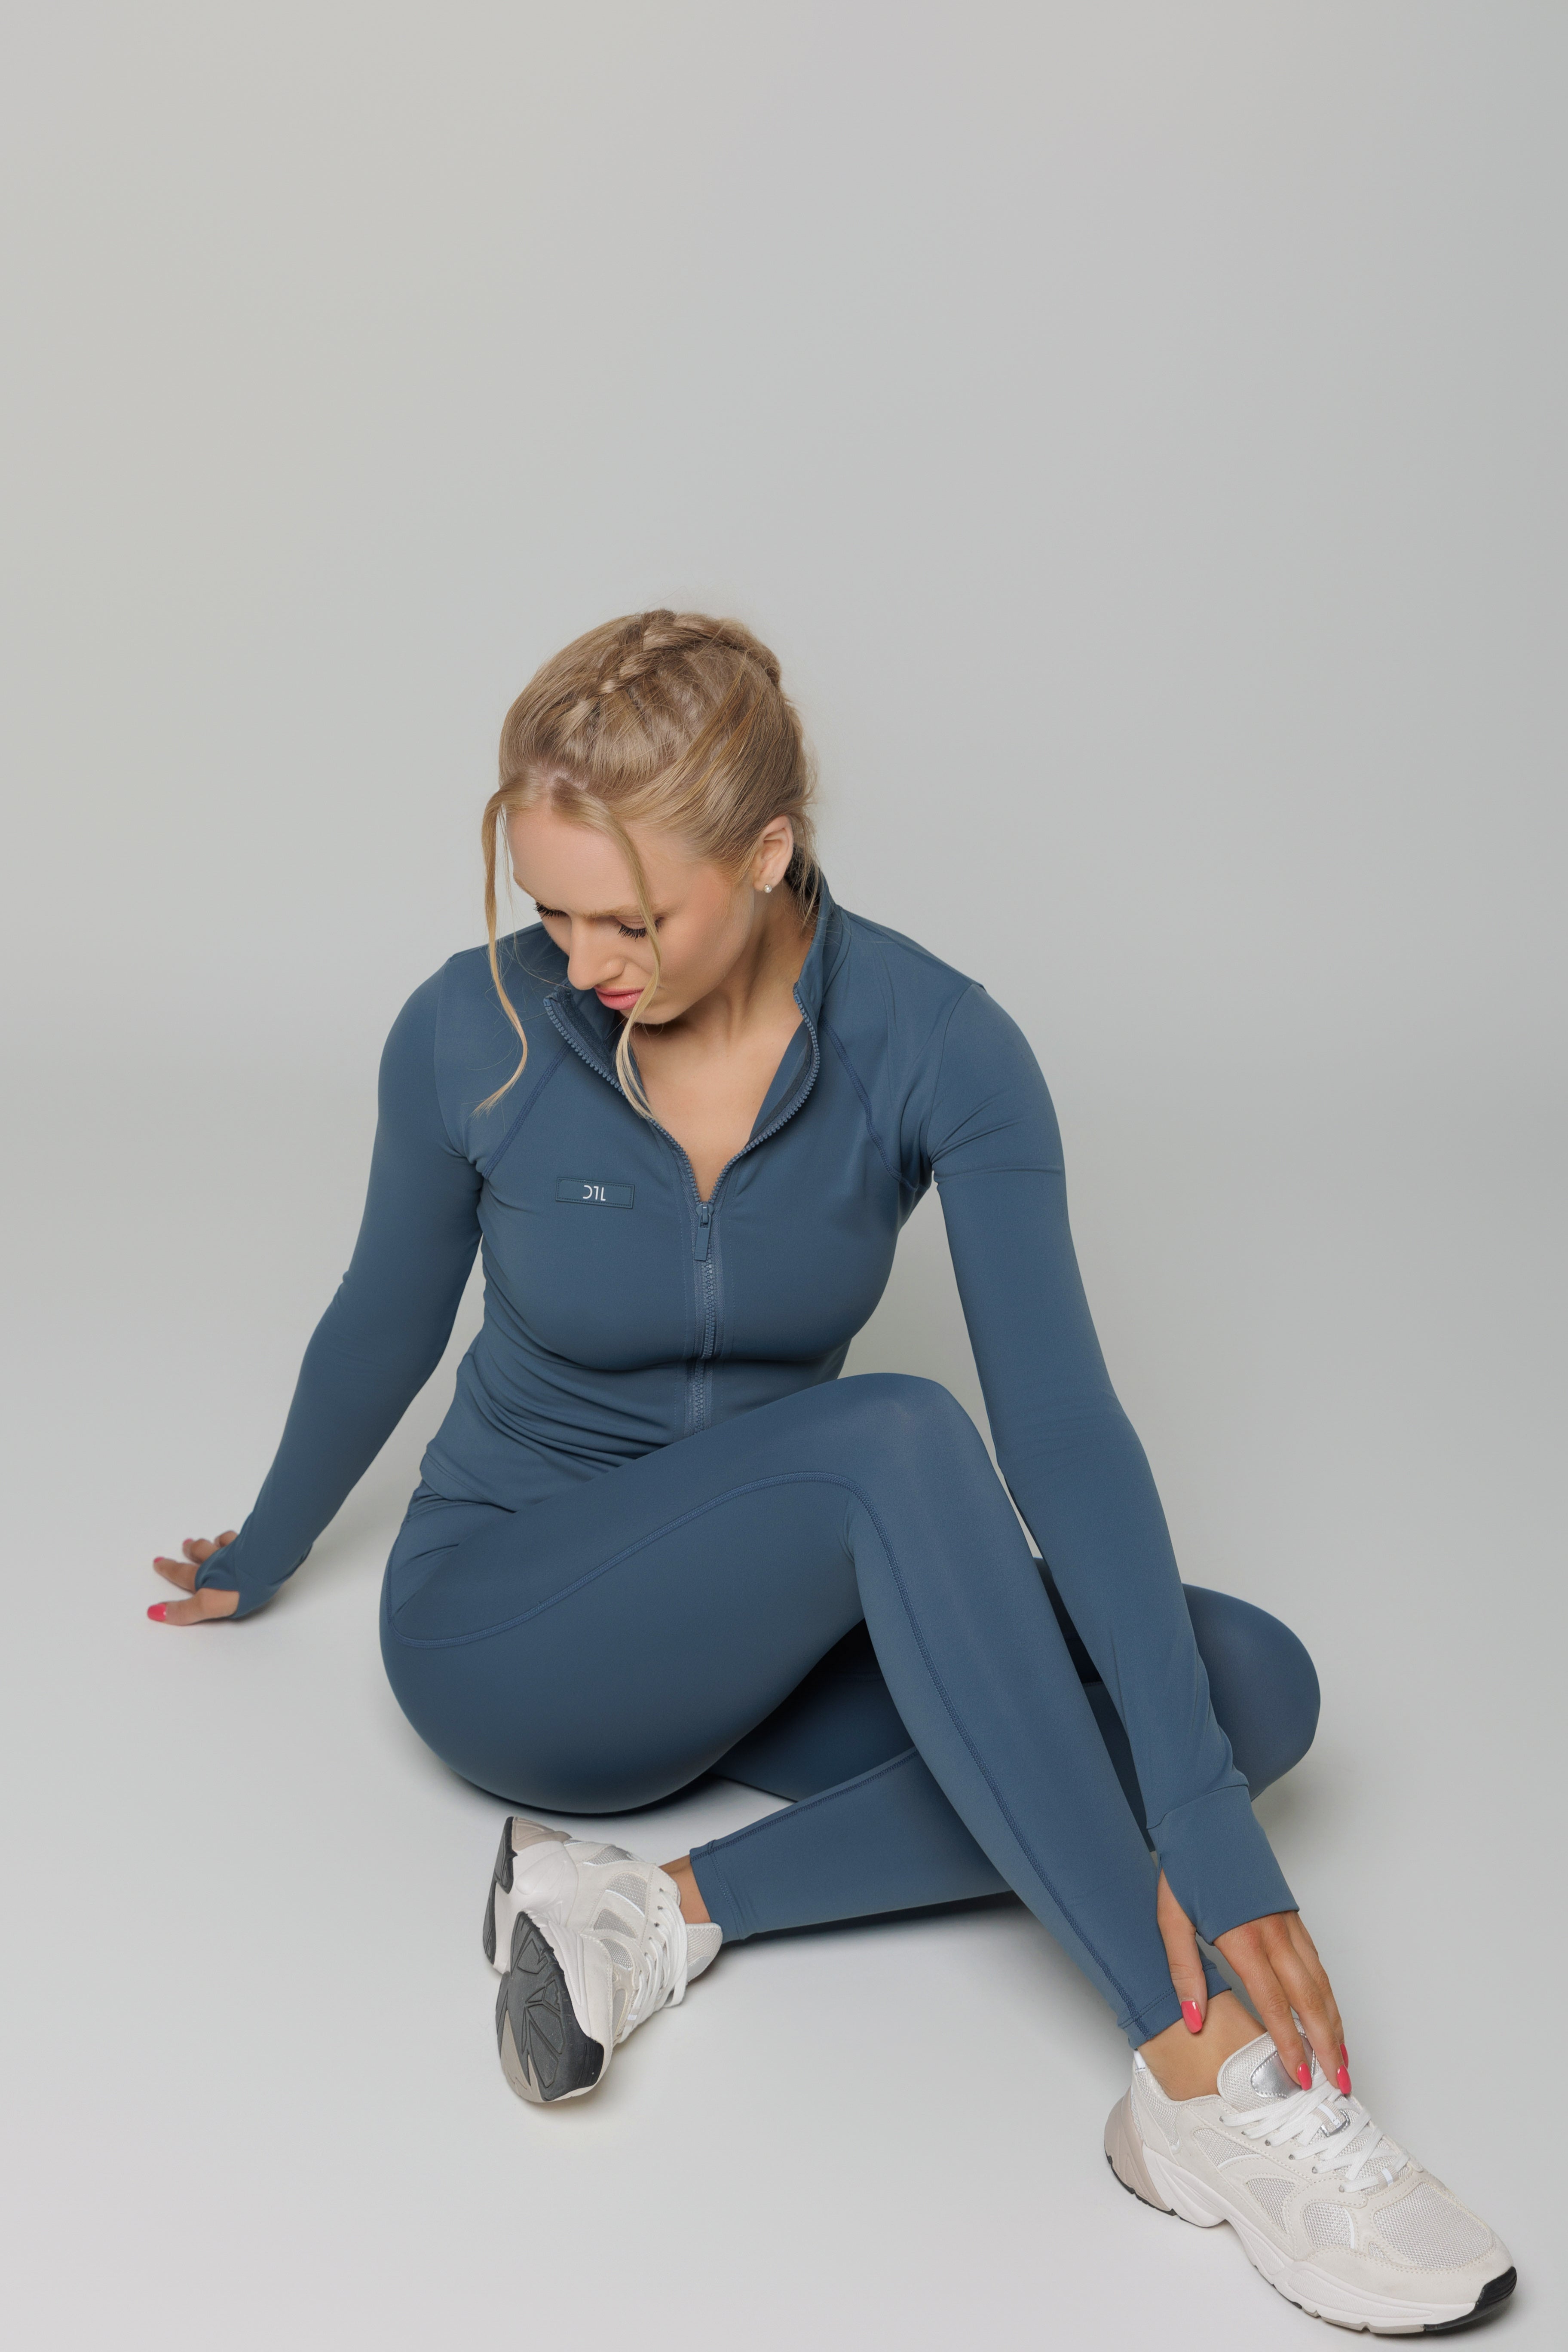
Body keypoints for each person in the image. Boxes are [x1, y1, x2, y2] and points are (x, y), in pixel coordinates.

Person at [150, 612, 1515, 2334]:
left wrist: (1202, 1817)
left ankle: (653, 1913)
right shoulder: (470, 1031)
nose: (581, 964)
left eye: (632, 920)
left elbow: (1063, 1422)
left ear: (768, 851)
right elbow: (382, 1317)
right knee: (899, 1435)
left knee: (1245, 1686)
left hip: (772, 1634)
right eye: (553, 913)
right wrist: (269, 1545)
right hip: (515, 1627)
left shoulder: (941, 1043)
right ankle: (1202, 2079)